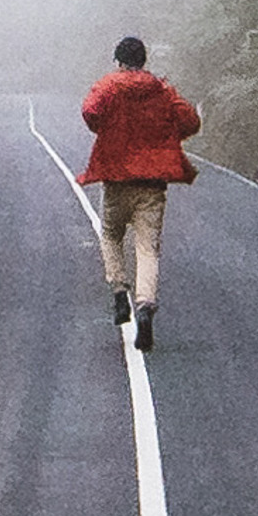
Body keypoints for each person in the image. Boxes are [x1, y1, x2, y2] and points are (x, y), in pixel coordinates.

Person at [76, 35, 199, 352]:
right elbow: (189, 120)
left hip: (117, 179)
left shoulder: (108, 86)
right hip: (152, 185)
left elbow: (90, 112)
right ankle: (145, 306)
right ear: (144, 61)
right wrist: (164, 134)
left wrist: (109, 128)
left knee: (111, 234)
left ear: (118, 61)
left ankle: (119, 290)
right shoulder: (161, 90)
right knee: (147, 248)